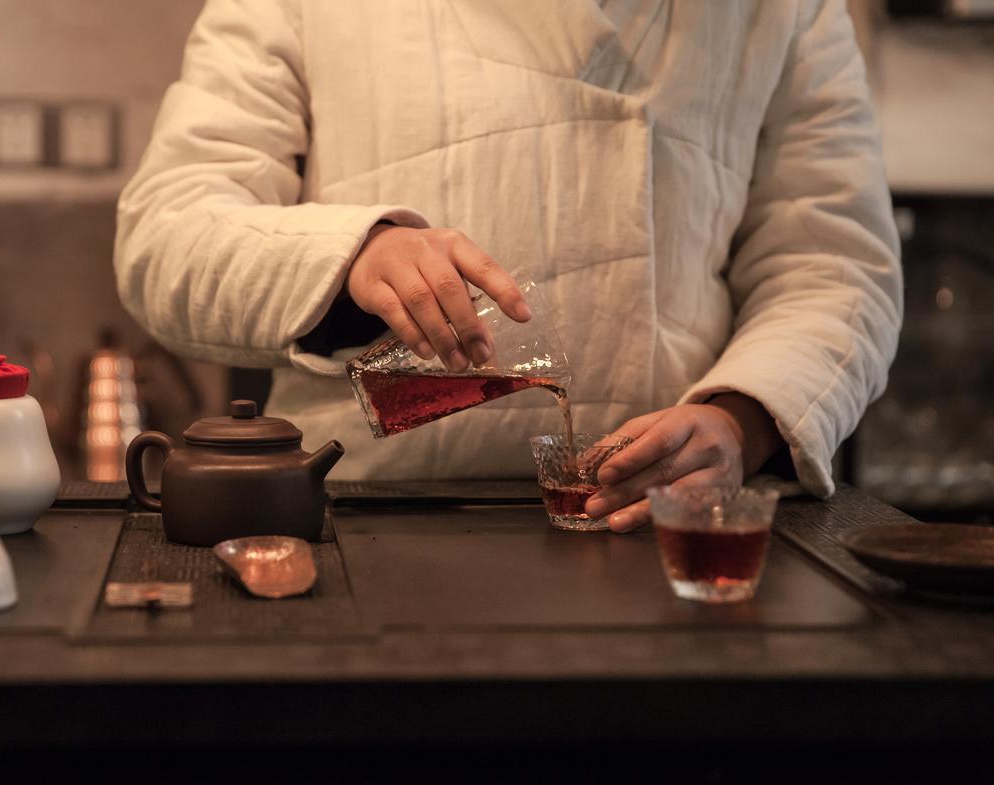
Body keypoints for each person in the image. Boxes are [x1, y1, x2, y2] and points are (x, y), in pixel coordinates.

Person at [115, 0, 902, 531]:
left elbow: (834, 264)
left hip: (660, 534)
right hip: (369, 528)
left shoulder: (785, 12)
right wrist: (355, 254)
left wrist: (742, 418)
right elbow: (166, 235)